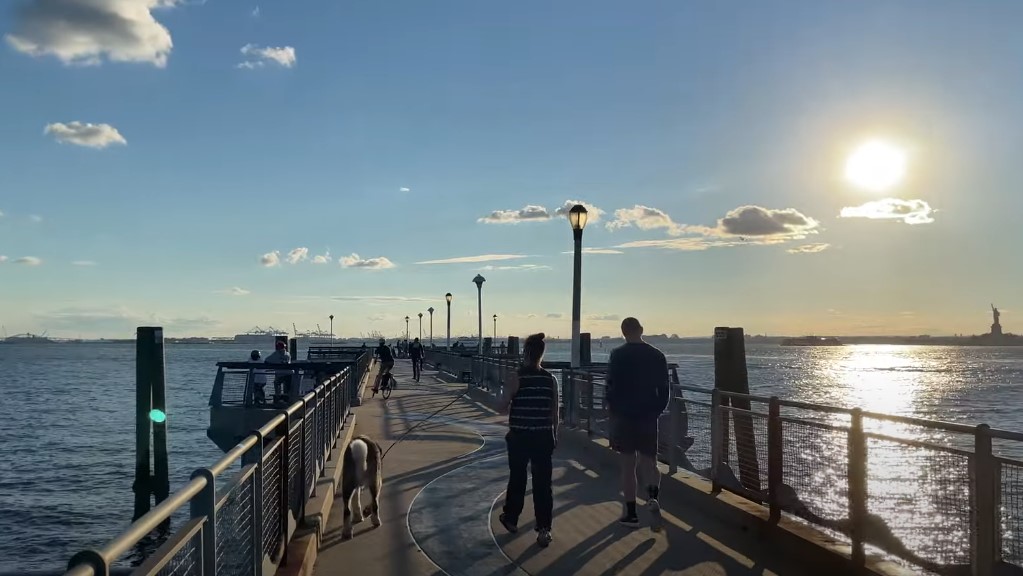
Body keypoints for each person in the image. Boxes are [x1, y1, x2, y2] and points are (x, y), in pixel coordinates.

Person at [606, 317, 669, 531]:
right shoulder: (657, 355)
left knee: (628, 466)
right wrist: (655, 411)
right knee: (650, 463)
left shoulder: (617, 356)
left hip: (624, 417)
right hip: (648, 417)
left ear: (623, 332)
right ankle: (652, 496)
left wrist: (614, 413)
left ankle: (631, 514)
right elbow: (664, 391)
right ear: (641, 329)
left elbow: (610, 389)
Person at [497, 333, 558, 548]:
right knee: (543, 485)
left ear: (525, 353)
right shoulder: (550, 379)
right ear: (542, 354)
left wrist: (504, 391)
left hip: (519, 436)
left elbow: (501, 406)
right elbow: (554, 414)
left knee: (518, 478)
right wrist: (554, 436)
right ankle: (544, 529)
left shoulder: (517, 377)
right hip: (543, 436)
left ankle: (512, 518)